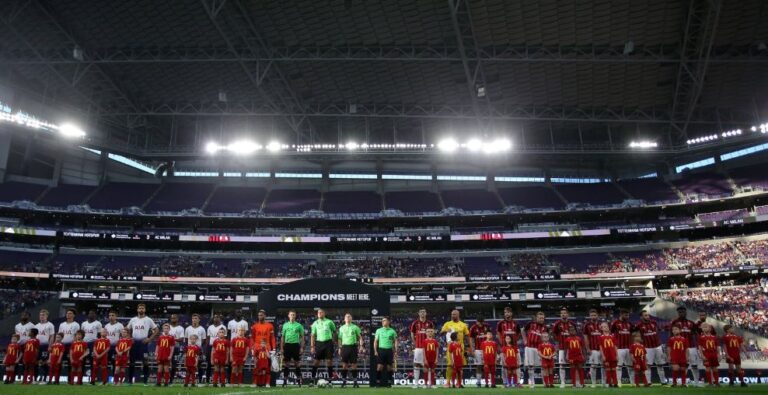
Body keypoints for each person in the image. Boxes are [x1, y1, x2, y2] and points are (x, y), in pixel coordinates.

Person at [126, 303, 158, 385]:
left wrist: (149, 339)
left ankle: (145, 382)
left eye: (142, 308)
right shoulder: (133, 319)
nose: (141, 309)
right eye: (139, 308)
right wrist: (130, 338)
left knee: (145, 362)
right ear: (137, 309)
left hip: (144, 344)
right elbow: (126, 329)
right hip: (134, 343)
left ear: (145, 310)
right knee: (132, 362)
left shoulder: (148, 320)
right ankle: (130, 381)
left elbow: (156, 330)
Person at [670, 306, 700, 386]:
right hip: (680, 349)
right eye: (680, 312)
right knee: (684, 366)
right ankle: (682, 382)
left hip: (691, 347)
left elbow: (696, 333)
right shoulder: (674, 322)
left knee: (694, 365)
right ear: (678, 313)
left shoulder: (691, 323)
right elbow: (671, 336)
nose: (681, 313)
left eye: (683, 311)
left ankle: (696, 382)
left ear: (686, 312)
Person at [440, 309, 469, 388]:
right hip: (451, 346)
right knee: (450, 365)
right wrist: (446, 330)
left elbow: (467, 336)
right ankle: (448, 383)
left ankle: (458, 383)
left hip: (460, 347)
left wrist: (467, 348)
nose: (453, 316)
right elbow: (441, 333)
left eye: (454, 314)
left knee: (460, 366)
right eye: (452, 314)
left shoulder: (463, 325)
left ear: (458, 315)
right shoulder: (447, 324)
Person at [636, 310, 666, 385]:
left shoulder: (654, 323)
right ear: (641, 317)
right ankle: (648, 382)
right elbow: (635, 335)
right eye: (645, 315)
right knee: (648, 365)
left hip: (657, 346)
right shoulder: (639, 325)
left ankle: (663, 381)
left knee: (660, 364)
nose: (647, 316)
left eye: (648, 315)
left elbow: (658, 330)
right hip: (647, 348)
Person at [409, 308, 434, 388]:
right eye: (421, 312)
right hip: (418, 347)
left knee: (427, 365)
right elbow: (412, 333)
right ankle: (416, 383)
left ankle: (427, 383)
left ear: (426, 313)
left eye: (424, 312)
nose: (422, 313)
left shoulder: (430, 323)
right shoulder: (415, 323)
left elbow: (432, 333)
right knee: (416, 364)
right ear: (418, 313)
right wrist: (414, 343)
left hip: (428, 348)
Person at [310, 308, 336, 385]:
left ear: (324, 313)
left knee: (329, 362)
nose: (320, 313)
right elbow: (313, 335)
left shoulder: (329, 322)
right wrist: (312, 346)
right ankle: (312, 380)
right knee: (316, 362)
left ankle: (330, 381)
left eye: (321, 312)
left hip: (328, 343)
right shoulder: (315, 323)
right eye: (318, 312)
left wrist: (333, 341)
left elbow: (334, 332)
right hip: (319, 343)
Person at [552, 307, 577, 389]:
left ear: (568, 314)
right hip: (562, 348)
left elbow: (575, 334)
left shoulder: (572, 324)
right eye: (562, 313)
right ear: (560, 315)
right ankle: (562, 382)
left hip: (572, 349)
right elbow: (554, 334)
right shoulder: (557, 324)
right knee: (562, 365)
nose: (563, 314)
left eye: (565, 313)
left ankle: (575, 381)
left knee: (574, 365)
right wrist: (557, 343)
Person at [250, 310, 276, 386]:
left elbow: (272, 338)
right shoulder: (255, 326)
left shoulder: (270, 326)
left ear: (264, 316)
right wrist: (252, 348)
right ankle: (256, 383)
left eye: (261, 315)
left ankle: (267, 383)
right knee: (256, 366)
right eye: (258, 315)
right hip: (257, 347)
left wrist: (273, 348)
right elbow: (252, 338)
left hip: (267, 346)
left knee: (267, 366)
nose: (259, 317)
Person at [496, 307, 521, 387]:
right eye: (505, 312)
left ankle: (517, 382)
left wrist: (515, 341)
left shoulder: (516, 323)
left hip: (514, 348)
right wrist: (501, 344)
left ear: (511, 313)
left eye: (508, 312)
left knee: (517, 365)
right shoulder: (500, 323)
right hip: (504, 347)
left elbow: (519, 334)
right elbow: (498, 334)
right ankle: (505, 382)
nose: (507, 314)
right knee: (504, 365)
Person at [338, 313, 364, 388]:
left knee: (354, 365)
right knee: (344, 365)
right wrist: (340, 348)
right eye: (346, 317)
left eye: (349, 317)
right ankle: (344, 382)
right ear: (344, 319)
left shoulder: (355, 327)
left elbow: (360, 337)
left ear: (351, 319)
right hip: (344, 347)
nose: (348, 318)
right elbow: (339, 339)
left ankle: (355, 382)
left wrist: (361, 346)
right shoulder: (341, 328)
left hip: (353, 347)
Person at [280, 310, 304, 387]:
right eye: (291, 315)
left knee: (297, 363)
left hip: (295, 345)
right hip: (287, 345)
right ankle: (285, 381)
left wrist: (302, 347)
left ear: (295, 316)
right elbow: (282, 337)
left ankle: (299, 380)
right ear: (288, 315)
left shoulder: (299, 325)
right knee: (286, 364)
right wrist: (281, 348)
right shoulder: (285, 325)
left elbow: (302, 337)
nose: (292, 316)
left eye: (294, 315)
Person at [524, 311, 549, 387]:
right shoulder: (530, 324)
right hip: (530, 347)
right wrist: (525, 339)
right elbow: (523, 330)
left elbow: (547, 337)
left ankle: (545, 382)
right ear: (536, 318)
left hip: (539, 348)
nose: (541, 319)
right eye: (539, 318)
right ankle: (532, 383)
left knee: (543, 366)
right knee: (531, 366)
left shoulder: (545, 327)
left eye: (542, 318)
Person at [610, 308, 634, 387]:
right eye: (625, 315)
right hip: (619, 348)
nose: (627, 316)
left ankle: (632, 382)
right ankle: (619, 382)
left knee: (630, 366)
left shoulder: (630, 324)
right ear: (621, 315)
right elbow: (611, 333)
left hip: (629, 348)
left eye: (628, 315)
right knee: (618, 367)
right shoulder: (615, 323)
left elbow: (634, 333)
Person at [374, 316, 398, 388]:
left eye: (384, 320)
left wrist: (396, 350)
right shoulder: (378, 330)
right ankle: (377, 383)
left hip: (389, 350)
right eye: (382, 320)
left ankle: (389, 383)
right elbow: (375, 341)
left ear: (388, 322)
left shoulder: (392, 331)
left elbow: (396, 341)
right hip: (381, 350)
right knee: (379, 367)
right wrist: (375, 350)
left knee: (389, 367)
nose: (383, 322)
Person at [582, 308, 604, 388]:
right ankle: (593, 383)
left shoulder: (602, 324)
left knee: (603, 366)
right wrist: (588, 349)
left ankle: (604, 383)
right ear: (589, 316)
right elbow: (585, 337)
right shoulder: (587, 325)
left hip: (603, 350)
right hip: (593, 349)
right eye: (592, 315)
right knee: (593, 366)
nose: (593, 317)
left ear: (597, 315)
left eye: (594, 315)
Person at [57, 309, 79, 380]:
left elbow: (76, 336)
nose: (68, 315)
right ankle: (57, 379)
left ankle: (70, 379)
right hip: (62, 345)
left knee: (70, 362)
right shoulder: (62, 324)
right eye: (67, 313)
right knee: (58, 361)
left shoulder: (76, 325)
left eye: (70, 313)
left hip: (71, 345)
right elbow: (59, 335)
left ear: (73, 315)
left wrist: (74, 346)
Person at [469, 315, 490, 387]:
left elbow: (490, 336)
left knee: (487, 365)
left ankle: (488, 382)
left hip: (487, 349)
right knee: (478, 366)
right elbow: (471, 339)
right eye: (479, 323)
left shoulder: (487, 326)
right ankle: (478, 381)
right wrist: (472, 349)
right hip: (478, 350)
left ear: (483, 322)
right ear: (476, 321)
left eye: (481, 323)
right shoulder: (473, 328)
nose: (480, 324)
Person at [34, 309, 55, 383]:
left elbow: (52, 336)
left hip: (45, 346)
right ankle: (35, 379)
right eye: (40, 315)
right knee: (36, 362)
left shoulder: (50, 325)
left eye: (43, 315)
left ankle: (45, 379)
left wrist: (50, 346)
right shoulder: (36, 326)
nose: (41, 316)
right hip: (37, 346)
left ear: (47, 316)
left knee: (44, 362)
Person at [185, 313, 206, 384]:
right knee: (189, 367)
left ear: (199, 320)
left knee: (198, 365)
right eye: (193, 318)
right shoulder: (188, 329)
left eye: (196, 318)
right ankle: (187, 381)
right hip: (189, 350)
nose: (194, 320)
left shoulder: (202, 329)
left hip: (198, 350)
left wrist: (198, 347)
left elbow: (203, 340)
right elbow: (186, 339)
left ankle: (199, 381)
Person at [81, 309, 102, 381]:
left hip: (93, 343)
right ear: (88, 315)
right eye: (90, 313)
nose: (91, 315)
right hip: (84, 343)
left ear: (95, 315)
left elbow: (99, 335)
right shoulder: (83, 323)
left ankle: (93, 379)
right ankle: (80, 379)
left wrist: (97, 345)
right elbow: (81, 334)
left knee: (92, 361)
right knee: (82, 361)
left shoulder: (98, 323)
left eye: (93, 313)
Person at [698, 322, 720, 387]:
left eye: (706, 327)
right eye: (703, 327)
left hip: (714, 354)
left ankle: (717, 382)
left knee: (715, 368)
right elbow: (700, 347)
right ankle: (710, 383)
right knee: (708, 368)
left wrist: (719, 354)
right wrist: (702, 355)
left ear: (710, 328)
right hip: (706, 354)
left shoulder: (714, 337)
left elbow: (717, 346)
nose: (704, 329)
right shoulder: (701, 337)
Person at [206, 313, 226, 383]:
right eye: (215, 317)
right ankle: (207, 380)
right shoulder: (210, 327)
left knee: (221, 366)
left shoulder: (223, 327)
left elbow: (225, 338)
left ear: (220, 319)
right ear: (213, 319)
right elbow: (208, 338)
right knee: (209, 363)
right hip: (211, 346)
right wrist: (207, 347)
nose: (216, 319)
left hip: (220, 348)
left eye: (217, 317)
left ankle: (221, 381)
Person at [103, 311, 123, 380]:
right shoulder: (106, 326)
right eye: (110, 315)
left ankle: (115, 380)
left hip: (115, 347)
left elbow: (123, 336)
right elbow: (104, 336)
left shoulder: (120, 325)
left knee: (115, 363)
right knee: (105, 363)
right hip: (107, 347)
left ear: (116, 317)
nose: (111, 317)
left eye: (112, 315)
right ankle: (104, 380)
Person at [598, 322, 618, 387]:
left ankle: (615, 383)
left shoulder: (612, 336)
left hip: (613, 355)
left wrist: (617, 355)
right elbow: (601, 347)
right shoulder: (601, 337)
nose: (605, 328)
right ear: (601, 329)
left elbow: (615, 346)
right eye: (603, 327)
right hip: (606, 355)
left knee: (614, 369)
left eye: (606, 326)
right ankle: (609, 383)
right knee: (608, 369)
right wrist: (603, 356)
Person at [168, 314, 185, 385]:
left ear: (177, 319)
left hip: (176, 348)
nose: (173, 319)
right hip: (166, 348)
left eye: (174, 318)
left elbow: (181, 339)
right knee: (164, 364)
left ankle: (171, 381)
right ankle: (164, 379)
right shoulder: (167, 327)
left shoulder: (180, 328)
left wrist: (172, 339)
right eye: (172, 318)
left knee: (174, 365)